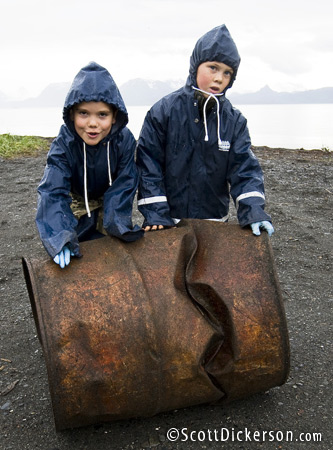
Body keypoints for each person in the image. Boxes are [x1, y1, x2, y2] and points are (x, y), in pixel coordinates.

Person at [136, 25, 274, 238]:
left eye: (227, 72)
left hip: (214, 224)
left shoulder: (234, 120)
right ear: (196, 65)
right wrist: (155, 214)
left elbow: (244, 169)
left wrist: (254, 211)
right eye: (213, 68)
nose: (219, 78)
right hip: (167, 223)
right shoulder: (163, 111)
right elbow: (148, 165)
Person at [36, 62, 143, 268]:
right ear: (72, 114)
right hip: (77, 202)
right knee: (75, 257)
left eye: (102, 114)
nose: (92, 123)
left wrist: (117, 225)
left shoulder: (125, 140)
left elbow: (125, 183)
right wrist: (60, 238)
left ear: (114, 117)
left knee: (112, 258)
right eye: (83, 113)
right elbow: (52, 192)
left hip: (109, 201)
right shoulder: (63, 144)